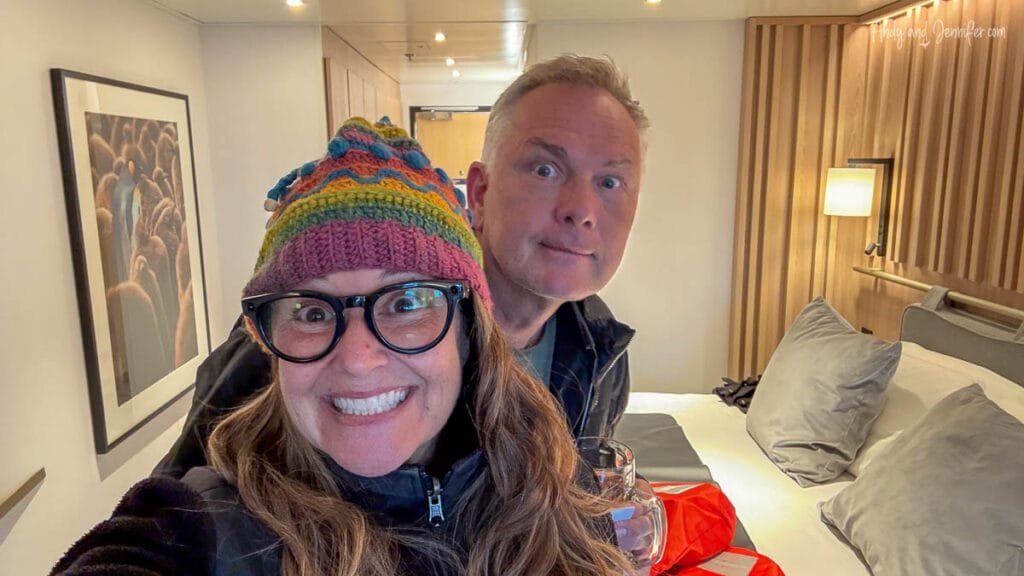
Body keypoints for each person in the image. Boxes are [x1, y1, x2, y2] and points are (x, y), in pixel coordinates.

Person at [52, 118, 636, 576]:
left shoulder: (552, 493)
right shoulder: (202, 526)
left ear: (468, 328)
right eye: (311, 311)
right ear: (269, 342)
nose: (357, 359)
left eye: (406, 303)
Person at [155, 54, 649, 481]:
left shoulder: (600, 351)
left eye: (610, 182)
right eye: (546, 169)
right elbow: (176, 516)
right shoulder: (306, 336)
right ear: (479, 192)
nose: (580, 209)